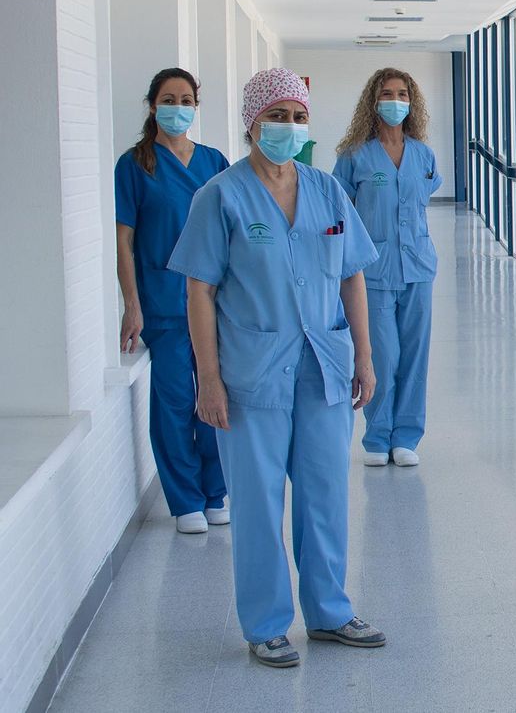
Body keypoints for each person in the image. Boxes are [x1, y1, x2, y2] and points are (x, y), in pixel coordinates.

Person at [169, 68, 386, 669]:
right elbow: (199, 292)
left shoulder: (326, 190)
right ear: (251, 123)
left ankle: (330, 612)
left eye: (296, 116)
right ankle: (266, 624)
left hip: (323, 369)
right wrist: (207, 380)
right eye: (276, 116)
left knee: (325, 494)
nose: (288, 127)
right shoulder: (220, 195)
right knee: (260, 502)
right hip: (251, 377)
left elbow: (352, 275)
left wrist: (363, 357)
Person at [114, 68, 231, 534]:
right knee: (175, 402)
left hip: (216, 304)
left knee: (217, 395)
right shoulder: (136, 165)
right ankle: (184, 500)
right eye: (169, 99)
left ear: (196, 107)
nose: (178, 108)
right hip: (162, 304)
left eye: (186, 100)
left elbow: (232, 234)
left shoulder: (214, 162)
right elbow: (124, 241)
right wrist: (132, 304)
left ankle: (216, 491)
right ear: (152, 106)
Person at [333, 68, 442, 468]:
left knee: (415, 355)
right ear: (372, 101)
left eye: (401, 94)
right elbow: (339, 210)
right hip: (372, 272)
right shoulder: (354, 156)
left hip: (418, 266)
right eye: (386, 94)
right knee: (382, 355)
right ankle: (377, 436)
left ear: (412, 102)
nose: (394, 101)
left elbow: (423, 197)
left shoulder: (423, 154)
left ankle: (407, 437)